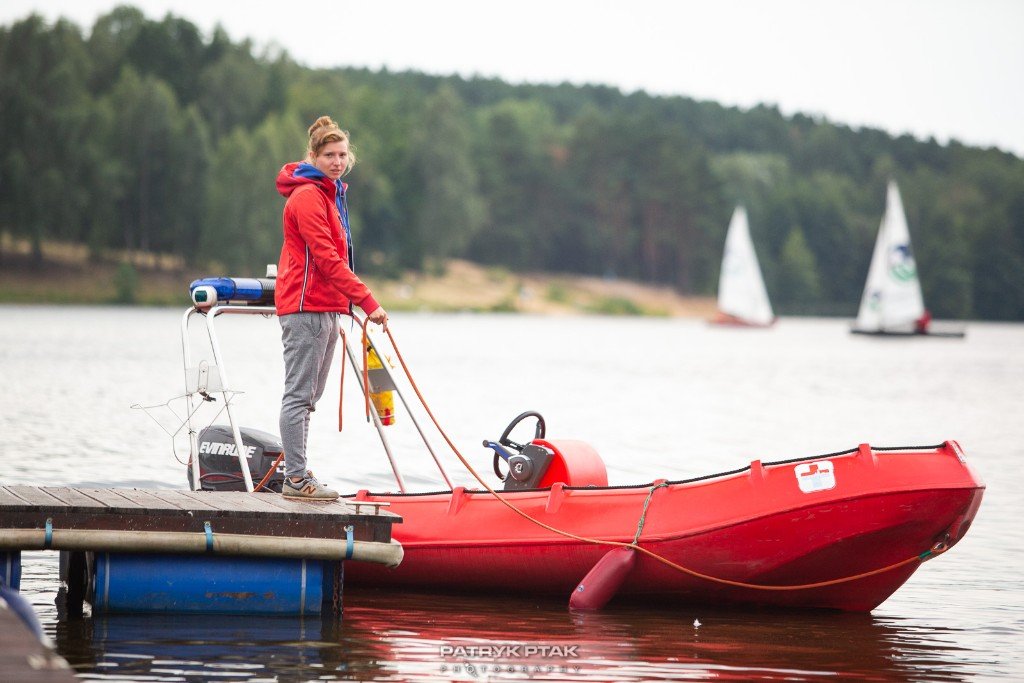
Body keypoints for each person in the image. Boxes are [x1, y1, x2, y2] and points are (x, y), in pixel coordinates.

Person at [274, 115, 387, 499]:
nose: (337, 162)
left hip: (324, 308)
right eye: (329, 156)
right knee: (298, 397)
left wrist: (347, 302)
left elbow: (336, 259)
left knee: (309, 399)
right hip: (305, 308)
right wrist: (366, 301)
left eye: (341, 155)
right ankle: (295, 479)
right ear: (313, 157)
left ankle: (298, 472)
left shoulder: (330, 195)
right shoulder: (308, 196)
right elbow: (326, 259)